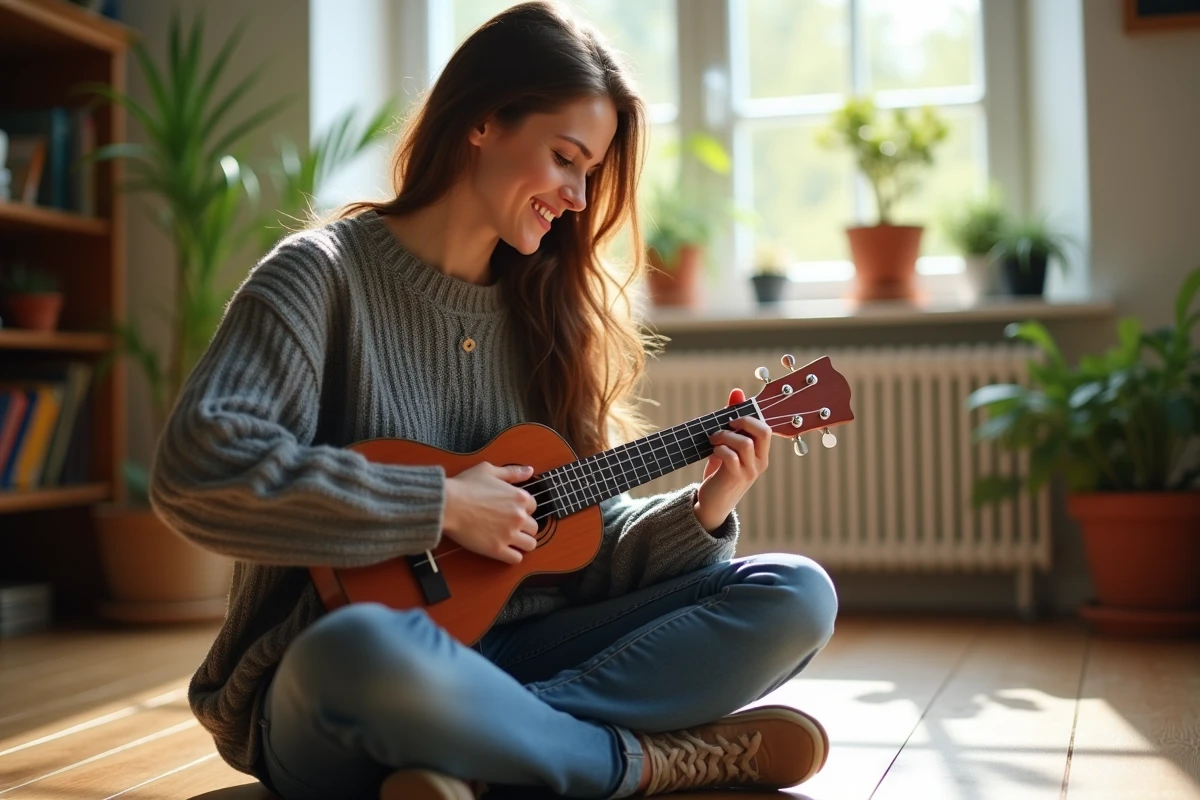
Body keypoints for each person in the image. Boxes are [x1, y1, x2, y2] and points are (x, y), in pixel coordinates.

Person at [149, 3, 838, 799]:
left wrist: (704, 512)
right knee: (360, 648)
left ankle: (485, 754)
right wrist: (438, 503)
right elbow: (197, 470)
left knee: (796, 592)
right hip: (341, 676)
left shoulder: (549, 312)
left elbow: (568, 540)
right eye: (565, 158)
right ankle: (631, 762)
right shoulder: (318, 278)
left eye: (592, 173)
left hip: (521, 656)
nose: (579, 196)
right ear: (482, 121)